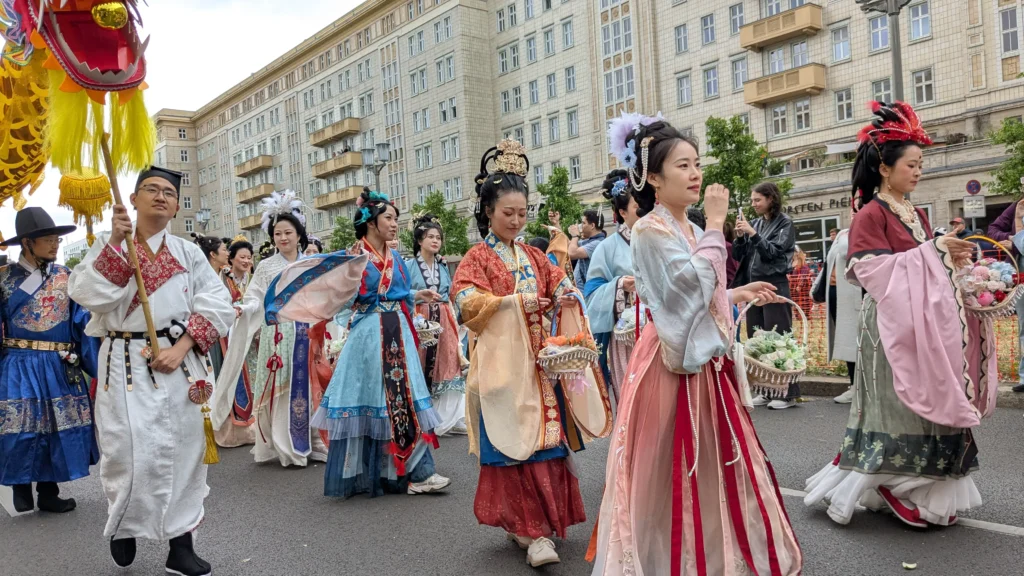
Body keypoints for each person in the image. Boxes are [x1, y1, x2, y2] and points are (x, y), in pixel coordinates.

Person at [591, 113, 801, 576]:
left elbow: (698, 294)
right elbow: (683, 293)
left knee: (711, 464)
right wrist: (718, 225)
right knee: (671, 467)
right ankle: (669, 559)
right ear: (653, 178)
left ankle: (711, 551)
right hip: (671, 363)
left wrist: (735, 294)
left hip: (701, 361)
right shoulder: (651, 230)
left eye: (696, 164)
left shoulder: (688, 227)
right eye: (683, 166)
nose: (695, 174)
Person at [804, 101, 993, 529]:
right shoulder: (871, 214)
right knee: (898, 408)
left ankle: (920, 491)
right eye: (912, 163)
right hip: (889, 327)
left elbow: (924, 264)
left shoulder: (918, 213)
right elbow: (870, 273)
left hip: (923, 324)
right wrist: (934, 252)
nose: (919, 170)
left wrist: (950, 256)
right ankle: (893, 483)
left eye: (921, 163)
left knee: (930, 404)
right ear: (885, 169)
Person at [68, 166, 234, 576]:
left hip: (180, 362)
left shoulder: (188, 252)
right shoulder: (110, 246)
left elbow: (217, 304)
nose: (160, 197)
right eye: (151, 190)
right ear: (134, 199)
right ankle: (124, 524)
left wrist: (181, 348)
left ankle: (181, 545)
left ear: (177, 205)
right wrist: (117, 245)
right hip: (125, 362)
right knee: (129, 452)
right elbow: (87, 294)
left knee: (186, 451)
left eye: (168, 193)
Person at [454, 138, 612, 568]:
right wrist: (512, 304)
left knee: (546, 441)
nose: (517, 221)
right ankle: (530, 529)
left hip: (542, 363)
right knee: (513, 441)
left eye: (523, 214)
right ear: (488, 211)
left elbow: (558, 278)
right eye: (509, 213)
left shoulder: (532, 254)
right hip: (505, 365)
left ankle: (536, 526)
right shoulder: (476, 257)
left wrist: (566, 294)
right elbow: (466, 302)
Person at [278, 189, 451, 498]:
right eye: (389, 218)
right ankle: (382, 473)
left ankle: (415, 473)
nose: (395, 224)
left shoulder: (395, 257)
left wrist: (416, 295)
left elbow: (396, 294)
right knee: (378, 404)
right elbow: (340, 299)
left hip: (396, 330)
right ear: (371, 222)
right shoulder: (353, 258)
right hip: (370, 337)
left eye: (396, 219)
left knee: (404, 400)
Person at [213, 191, 327, 467]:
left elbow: (323, 295)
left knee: (310, 387)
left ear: (300, 234)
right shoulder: (265, 267)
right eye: (277, 234)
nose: (283, 238)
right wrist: (243, 308)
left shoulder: (310, 263)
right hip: (279, 334)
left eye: (288, 232)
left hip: (307, 332)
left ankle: (312, 440)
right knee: (283, 388)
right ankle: (285, 445)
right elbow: (255, 297)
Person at [0, 208, 98, 514]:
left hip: (58, 362)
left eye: (57, 239)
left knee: (57, 425)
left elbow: (82, 320)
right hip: (18, 361)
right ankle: (19, 487)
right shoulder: (3, 280)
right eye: (49, 239)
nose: (56, 244)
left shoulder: (66, 277)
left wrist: (96, 356)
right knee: (20, 425)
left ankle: (48, 491)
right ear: (28, 242)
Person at [733, 181, 797, 409]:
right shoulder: (757, 223)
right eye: (752, 200)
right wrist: (741, 236)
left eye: (757, 200)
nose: (754, 204)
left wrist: (754, 234)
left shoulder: (785, 223)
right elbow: (740, 255)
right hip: (754, 286)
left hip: (775, 284)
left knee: (778, 336)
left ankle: (787, 393)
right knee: (757, 337)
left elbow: (774, 253)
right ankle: (766, 389)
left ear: (771, 199)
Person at [406, 214, 467, 436]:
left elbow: (450, 292)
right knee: (422, 362)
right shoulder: (409, 266)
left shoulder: (442, 267)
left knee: (449, 362)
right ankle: (424, 415)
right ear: (419, 240)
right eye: (430, 237)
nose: (435, 241)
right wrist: (417, 295)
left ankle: (452, 416)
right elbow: (403, 292)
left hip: (443, 317)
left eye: (438, 237)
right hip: (420, 317)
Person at [583, 169, 640, 404]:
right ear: (622, 212)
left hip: (662, 331)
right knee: (633, 397)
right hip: (626, 336)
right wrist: (619, 285)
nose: (646, 212)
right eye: (638, 208)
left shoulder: (662, 240)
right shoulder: (606, 248)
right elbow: (592, 295)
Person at [812, 217, 860, 404]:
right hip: (837, 295)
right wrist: (817, 287)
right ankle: (854, 385)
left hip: (856, 294)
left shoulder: (869, 232)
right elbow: (827, 266)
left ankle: (863, 387)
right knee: (848, 341)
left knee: (859, 340)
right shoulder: (842, 234)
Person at [214, 236, 256, 448]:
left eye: (249, 257)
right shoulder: (222, 278)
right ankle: (230, 431)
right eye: (242, 257)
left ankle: (251, 428)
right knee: (231, 376)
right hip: (228, 335)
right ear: (231, 259)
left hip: (250, 335)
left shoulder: (252, 280)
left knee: (253, 380)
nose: (246, 261)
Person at [986, 199, 1024, 392]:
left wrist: (1015, 242)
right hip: (1021, 273)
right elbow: (992, 230)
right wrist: (1012, 237)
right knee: (1023, 327)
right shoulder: (1018, 205)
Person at [191, 234, 230, 379]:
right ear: (213, 254)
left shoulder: (227, 277)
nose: (228, 253)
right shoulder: (200, 277)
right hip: (207, 330)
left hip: (226, 331)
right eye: (224, 250)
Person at [568, 209, 607, 287]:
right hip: (581, 292)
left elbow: (571, 253)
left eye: (583, 223)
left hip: (588, 292)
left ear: (592, 225)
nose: (581, 226)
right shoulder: (589, 241)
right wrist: (556, 225)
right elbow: (569, 244)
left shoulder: (598, 243)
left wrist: (575, 236)